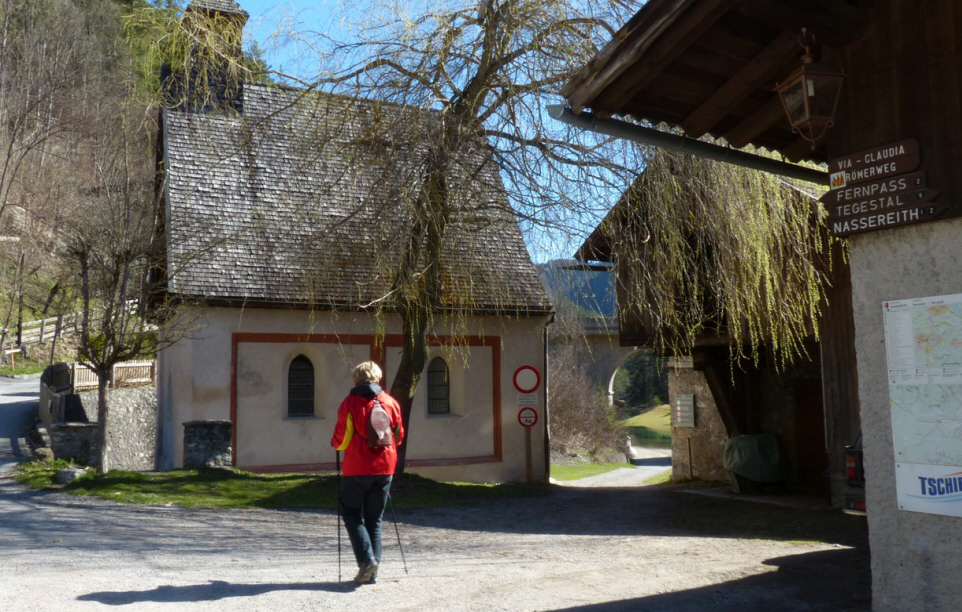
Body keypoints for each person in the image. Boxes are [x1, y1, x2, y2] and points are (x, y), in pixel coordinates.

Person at [331, 361, 405, 586]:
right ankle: (372, 572)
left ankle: (367, 561)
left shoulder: (350, 403)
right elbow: (398, 436)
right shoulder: (391, 402)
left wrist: (334, 444)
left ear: (357, 378)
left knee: (351, 512)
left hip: (358, 468)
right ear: (378, 378)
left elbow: (341, 441)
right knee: (375, 520)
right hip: (385, 467)